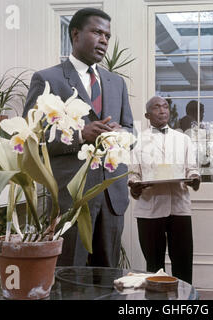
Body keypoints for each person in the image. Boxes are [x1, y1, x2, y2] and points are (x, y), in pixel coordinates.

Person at [23, 8, 134, 267]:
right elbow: (32, 138)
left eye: (107, 35)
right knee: (69, 278)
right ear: (75, 34)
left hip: (112, 197)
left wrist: (121, 134)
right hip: (70, 198)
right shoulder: (47, 79)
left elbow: (131, 129)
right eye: (97, 32)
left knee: (108, 279)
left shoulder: (116, 83)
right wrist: (79, 135)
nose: (104, 40)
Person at [128, 96, 200, 284]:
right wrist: (135, 184)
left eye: (165, 107)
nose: (162, 110)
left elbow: (192, 169)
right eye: (156, 107)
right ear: (147, 114)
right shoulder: (137, 141)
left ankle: (185, 302)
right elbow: (133, 173)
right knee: (154, 265)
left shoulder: (183, 139)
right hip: (149, 210)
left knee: (183, 263)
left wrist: (194, 178)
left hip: (179, 208)